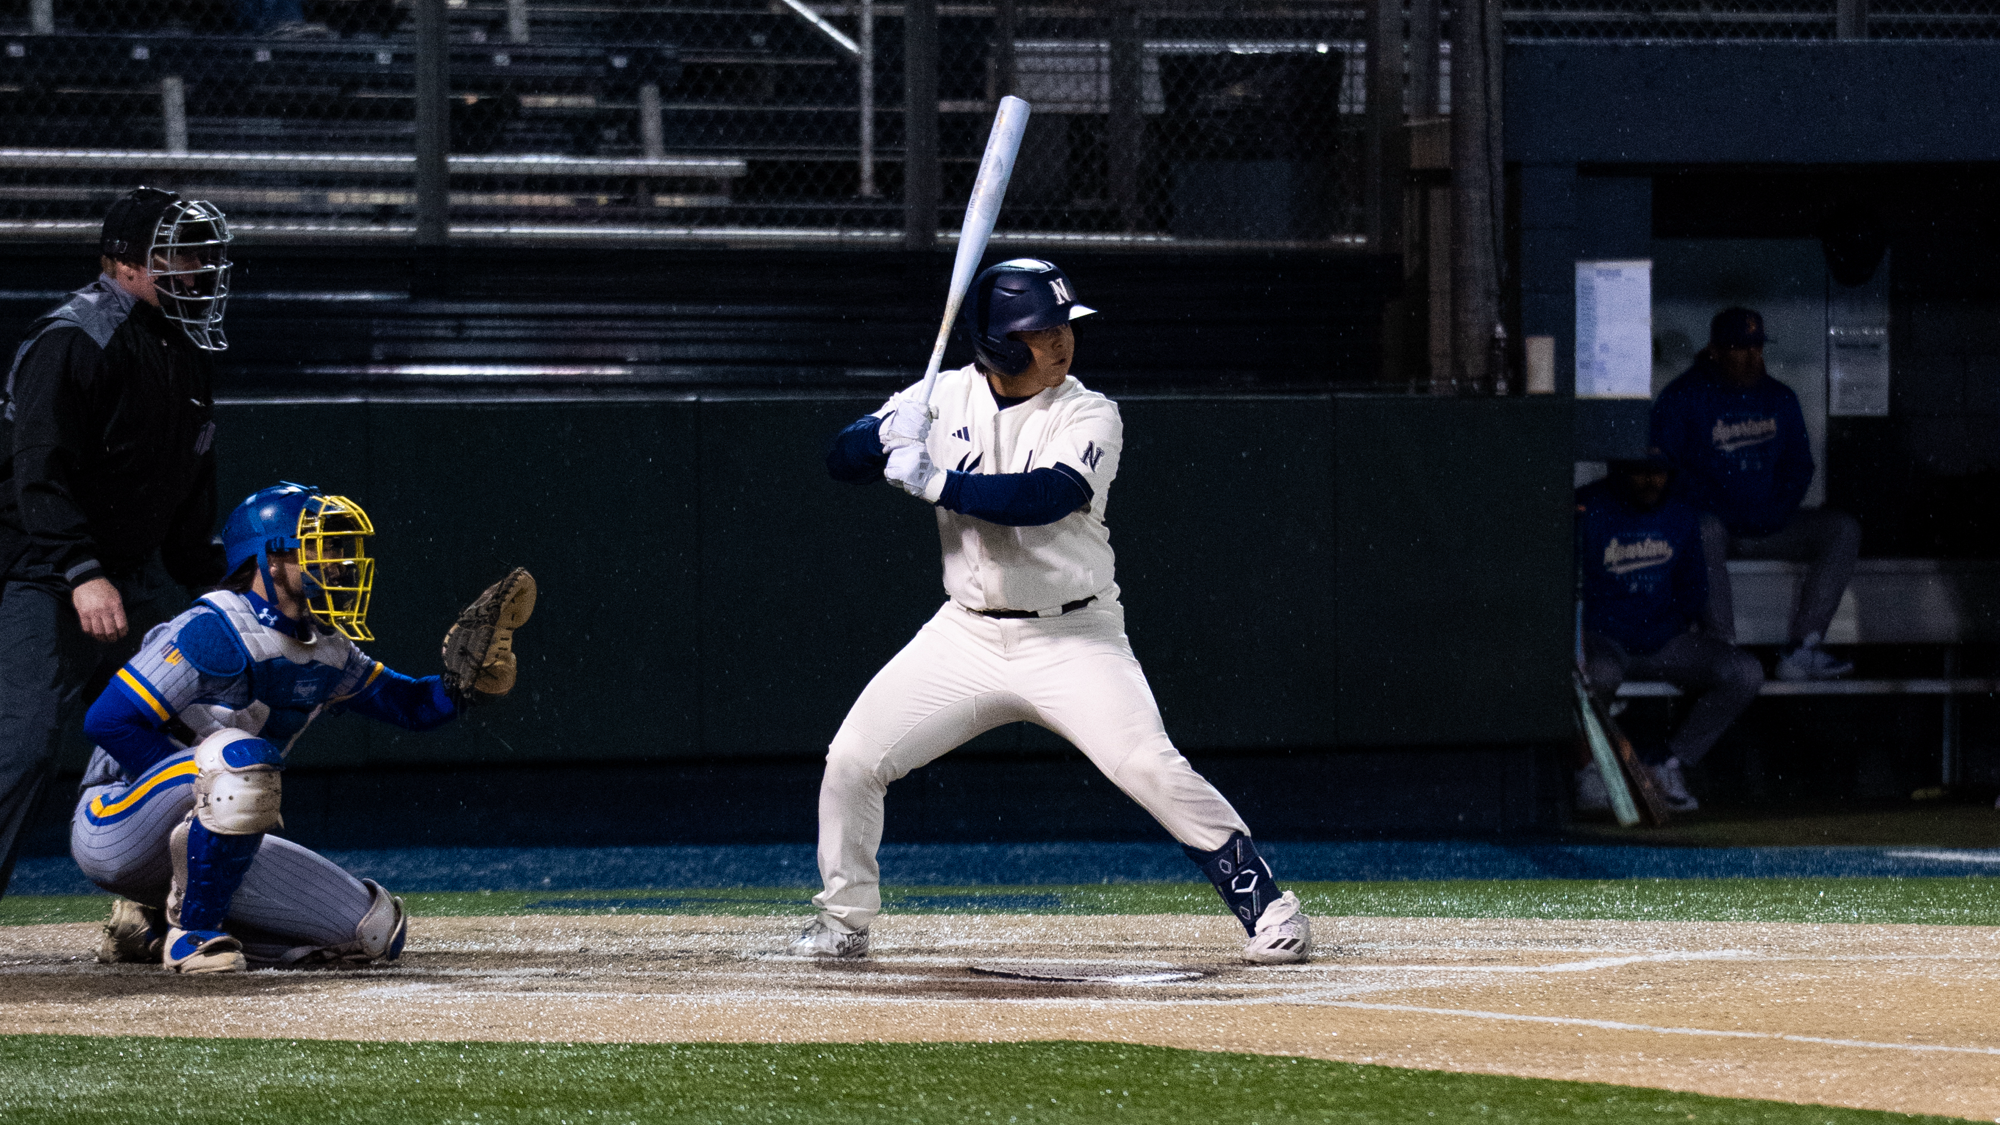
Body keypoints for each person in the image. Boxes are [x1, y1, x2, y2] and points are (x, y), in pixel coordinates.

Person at [792, 259, 1313, 964]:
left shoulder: (1090, 411)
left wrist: (935, 477)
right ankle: (843, 920)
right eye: (1041, 329)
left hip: (1074, 635)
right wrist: (881, 434)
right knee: (853, 759)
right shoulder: (940, 397)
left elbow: (1045, 498)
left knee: (1150, 766)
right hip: (965, 635)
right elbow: (836, 460)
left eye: (1065, 325)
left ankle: (1269, 907)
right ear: (1001, 343)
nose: (1063, 341)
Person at [70, 483, 535, 972]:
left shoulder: (328, 646)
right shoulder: (216, 628)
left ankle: (150, 928)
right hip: (116, 822)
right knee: (239, 763)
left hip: (220, 825)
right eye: (322, 545)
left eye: (340, 546)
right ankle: (192, 936)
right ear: (271, 559)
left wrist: (465, 684)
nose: (339, 560)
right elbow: (107, 720)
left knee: (376, 931)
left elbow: (411, 707)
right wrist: (202, 790)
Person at [0, 187, 233, 905]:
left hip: (125, 579)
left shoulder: (183, 354)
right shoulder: (73, 339)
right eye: (183, 254)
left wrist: (235, 584)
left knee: (194, 738)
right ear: (129, 262)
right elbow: (36, 469)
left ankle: (153, 908)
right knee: (24, 743)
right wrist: (81, 569)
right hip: (41, 573)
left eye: (203, 254)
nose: (199, 270)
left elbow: (187, 503)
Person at [1652, 307, 1861, 682]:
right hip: (1717, 531)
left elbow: (1800, 466)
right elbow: (1665, 472)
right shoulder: (1683, 396)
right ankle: (1722, 649)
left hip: (1769, 524)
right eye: (1739, 347)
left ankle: (1804, 648)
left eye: (1757, 347)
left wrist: (1777, 508)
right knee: (1703, 528)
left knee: (1842, 528)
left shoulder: (1779, 397)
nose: (1752, 356)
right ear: (1715, 350)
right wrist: (1722, 506)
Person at [1576, 456, 1763, 813]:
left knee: (1744, 672)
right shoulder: (1589, 507)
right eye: (1640, 471)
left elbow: (1693, 587)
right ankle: (1591, 772)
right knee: (1596, 676)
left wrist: (1667, 622)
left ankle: (1670, 765)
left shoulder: (1680, 512)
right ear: (1618, 470)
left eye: (1658, 472)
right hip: (1605, 639)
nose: (1650, 481)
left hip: (1663, 639)